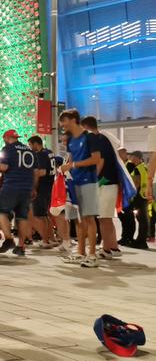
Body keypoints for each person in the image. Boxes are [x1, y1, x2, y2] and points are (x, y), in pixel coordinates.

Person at [59, 109, 100, 267]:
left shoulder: (90, 137)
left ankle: (93, 255)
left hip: (88, 181)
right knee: (77, 219)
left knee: (89, 217)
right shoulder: (70, 140)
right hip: (73, 182)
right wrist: (65, 168)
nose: (62, 125)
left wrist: (73, 165)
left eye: (65, 121)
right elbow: (70, 160)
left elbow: (96, 159)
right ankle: (81, 253)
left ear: (74, 119)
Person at [79, 116, 123, 257]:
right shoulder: (104, 138)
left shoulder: (94, 138)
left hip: (104, 182)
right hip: (111, 182)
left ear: (85, 126)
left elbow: (100, 161)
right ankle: (113, 247)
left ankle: (106, 249)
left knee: (103, 218)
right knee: (107, 217)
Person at [0, 130, 38, 256]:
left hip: (11, 186)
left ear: (7, 138)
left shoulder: (8, 149)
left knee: (1, 211)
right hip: (27, 188)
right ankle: (21, 246)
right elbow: (35, 172)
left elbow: (4, 167)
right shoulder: (30, 150)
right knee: (22, 217)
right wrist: (33, 188)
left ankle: (9, 239)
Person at [27, 136, 56, 248]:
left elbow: (40, 172)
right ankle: (51, 238)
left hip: (42, 187)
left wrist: (34, 187)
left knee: (40, 215)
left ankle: (46, 240)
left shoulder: (40, 155)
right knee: (46, 214)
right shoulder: (49, 152)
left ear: (35, 144)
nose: (30, 147)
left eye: (30, 144)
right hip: (50, 186)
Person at [124, 151, 149, 249]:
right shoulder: (144, 167)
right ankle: (141, 240)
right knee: (143, 220)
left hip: (139, 197)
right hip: (144, 196)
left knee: (141, 220)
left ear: (137, 158)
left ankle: (141, 242)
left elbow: (136, 183)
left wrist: (130, 196)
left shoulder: (138, 169)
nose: (131, 159)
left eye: (133, 157)